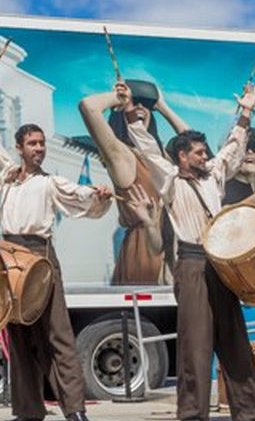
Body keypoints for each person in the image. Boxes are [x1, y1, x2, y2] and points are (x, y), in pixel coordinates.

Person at [124, 82, 255, 421]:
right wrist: (132, 115)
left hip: (221, 262)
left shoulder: (214, 176)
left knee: (234, 335)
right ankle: (193, 412)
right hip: (191, 263)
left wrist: (247, 111)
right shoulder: (170, 179)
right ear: (181, 156)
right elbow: (148, 149)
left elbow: (233, 149)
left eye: (205, 153)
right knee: (196, 339)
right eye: (198, 153)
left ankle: (253, 407)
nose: (205, 157)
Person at [0, 115, 113, 421]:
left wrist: (98, 195)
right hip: (9, 257)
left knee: (56, 333)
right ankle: (28, 410)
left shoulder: (50, 182)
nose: (39, 149)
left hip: (40, 256)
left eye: (42, 143)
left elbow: (80, 196)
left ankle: (75, 409)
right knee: (20, 338)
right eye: (33, 144)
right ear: (20, 148)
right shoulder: (8, 176)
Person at [78, 79, 189, 286]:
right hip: (145, 251)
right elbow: (88, 107)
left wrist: (162, 107)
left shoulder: (162, 158)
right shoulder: (123, 155)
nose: (139, 107)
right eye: (134, 102)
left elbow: (195, 145)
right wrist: (118, 99)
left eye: (145, 105)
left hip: (174, 250)